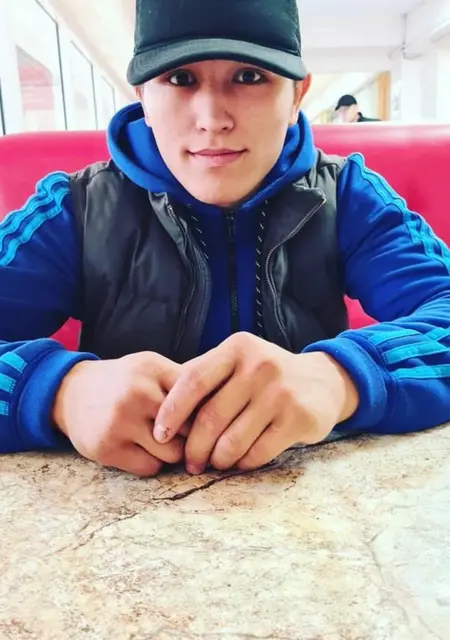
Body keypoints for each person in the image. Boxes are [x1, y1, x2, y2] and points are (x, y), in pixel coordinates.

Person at [0, 0, 450, 478]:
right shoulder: (73, 208)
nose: (212, 119)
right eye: (179, 78)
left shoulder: (349, 194)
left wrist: (339, 378)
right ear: (142, 96)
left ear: (296, 94)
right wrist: (57, 392)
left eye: (250, 76)